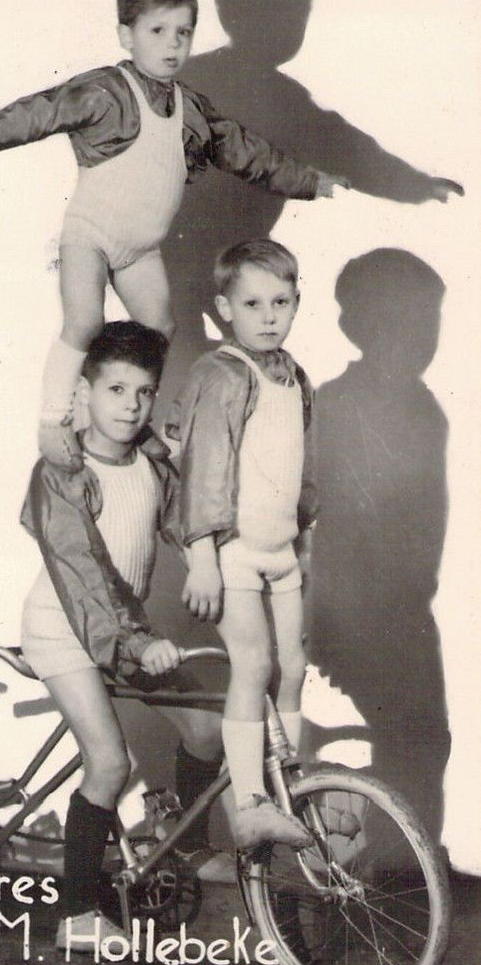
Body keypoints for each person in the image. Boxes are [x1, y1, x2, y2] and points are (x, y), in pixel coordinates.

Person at [0, 0, 348, 471]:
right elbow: (48, 109)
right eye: (158, 31)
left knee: (160, 326)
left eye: (183, 32)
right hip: (89, 237)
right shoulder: (109, 91)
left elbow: (245, 151)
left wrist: (308, 181)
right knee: (85, 321)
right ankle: (54, 421)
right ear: (126, 36)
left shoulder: (191, 109)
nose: (173, 44)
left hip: (142, 250)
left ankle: (135, 422)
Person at [20, 321, 229, 949]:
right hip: (64, 629)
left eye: (143, 392)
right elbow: (85, 578)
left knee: (207, 726)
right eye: (115, 390)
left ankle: (189, 848)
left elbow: (185, 524)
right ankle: (76, 916)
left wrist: (221, 566)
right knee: (110, 763)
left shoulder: (150, 462)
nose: (131, 406)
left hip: (122, 626)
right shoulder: (62, 472)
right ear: (82, 394)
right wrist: (140, 644)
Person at [168, 239, 318, 851]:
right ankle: (251, 801)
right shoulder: (223, 373)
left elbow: (299, 467)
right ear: (224, 308)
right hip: (229, 552)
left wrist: (305, 544)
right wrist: (201, 556)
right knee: (252, 665)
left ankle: (289, 785)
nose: (268, 315)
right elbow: (203, 469)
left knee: (295, 668)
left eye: (280, 302)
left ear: (296, 303)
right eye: (252, 303)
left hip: (279, 551)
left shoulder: (294, 376)